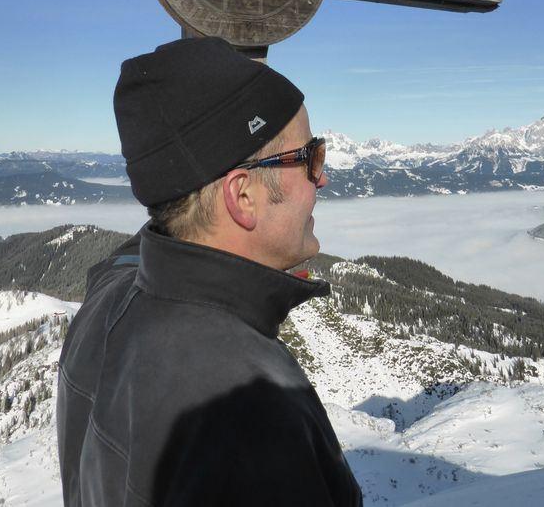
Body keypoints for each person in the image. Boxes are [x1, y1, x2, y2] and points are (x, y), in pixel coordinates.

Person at [56, 37, 362, 506]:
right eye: (310, 158)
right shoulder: (254, 418)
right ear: (243, 197)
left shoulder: (110, 298)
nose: (322, 177)